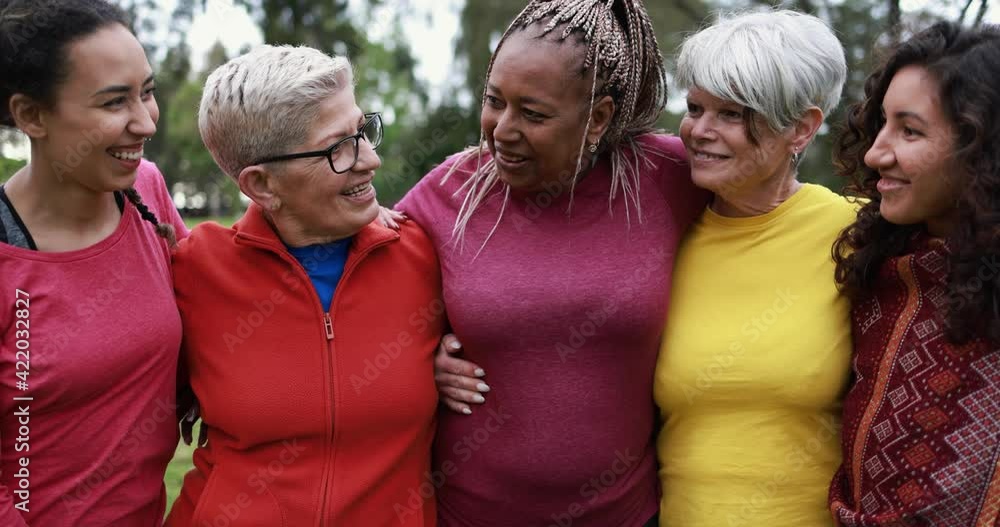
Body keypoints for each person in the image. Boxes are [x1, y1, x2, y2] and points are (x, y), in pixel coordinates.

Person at [396, 0, 706, 525]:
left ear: (598, 117)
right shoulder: (451, 191)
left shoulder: (667, 177)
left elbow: (769, 214)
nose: (501, 130)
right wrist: (412, 364)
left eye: (533, 113)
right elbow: (359, 290)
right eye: (494, 101)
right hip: (467, 516)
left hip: (627, 516)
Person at [165, 45, 445, 527]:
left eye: (363, 131)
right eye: (339, 147)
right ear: (262, 186)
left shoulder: (427, 253)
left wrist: (456, 352)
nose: (371, 159)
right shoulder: (193, 271)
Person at [652, 10, 854, 526]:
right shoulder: (659, 239)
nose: (698, 131)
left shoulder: (857, 237)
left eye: (731, 114)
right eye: (695, 107)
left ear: (802, 128)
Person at [0, 1, 188, 525]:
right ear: (31, 115)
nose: (145, 120)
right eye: (113, 103)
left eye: (147, 92)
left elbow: (220, 300)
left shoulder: (145, 190)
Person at [829, 21, 1000, 526]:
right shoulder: (882, 272)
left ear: (983, 149)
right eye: (882, 123)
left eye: (910, 130)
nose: (875, 153)